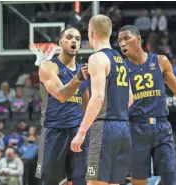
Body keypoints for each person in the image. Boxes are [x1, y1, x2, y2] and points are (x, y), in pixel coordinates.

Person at [117, 25, 176, 185]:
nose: (122, 43)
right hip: (136, 129)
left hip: (162, 127)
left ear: (139, 39)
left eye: (126, 38)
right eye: (120, 40)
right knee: (139, 181)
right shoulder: (122, 68)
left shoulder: (160, 61)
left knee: (170, 179)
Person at [71, 14, 133, 185]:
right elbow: (130, 99)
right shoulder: (121, 60)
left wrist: (81, 132)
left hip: (104, 128)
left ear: (92, 33)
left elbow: (97, 97)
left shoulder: (97, 58)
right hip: (123, 128)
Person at [35, 27, 89, 185]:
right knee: (51, 182)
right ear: (60, 42)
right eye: (70, 37)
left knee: (82, 181)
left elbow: (87, 105)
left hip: (77, 133)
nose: (74, 41)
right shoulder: (49, 67)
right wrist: (77, 79)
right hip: (55, 132)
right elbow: (61, 95)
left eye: (78, 39)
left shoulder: (82, 71)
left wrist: (86, 132)